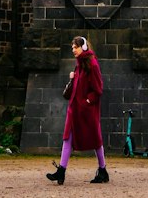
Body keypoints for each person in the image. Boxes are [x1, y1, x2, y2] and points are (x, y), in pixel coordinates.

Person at [46, 36, 108, 184]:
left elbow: (98, 89)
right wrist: (72, 79)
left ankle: (103, 170)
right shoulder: (79, 65)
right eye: (72, 47)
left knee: (96, 140)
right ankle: (61, 171)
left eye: (76, 47)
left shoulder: (92, 64)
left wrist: (87, 102)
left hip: (87, 110)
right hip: (74, 109)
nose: (73, 50)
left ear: (84, 47)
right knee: (67, 138)